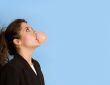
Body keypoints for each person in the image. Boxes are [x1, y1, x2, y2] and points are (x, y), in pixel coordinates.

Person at [0, 19, 47, 85]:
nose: (35, 32)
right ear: (17, 41)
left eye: (32, 29)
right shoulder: (11, 69)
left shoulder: (36, 65)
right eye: (27, 30)